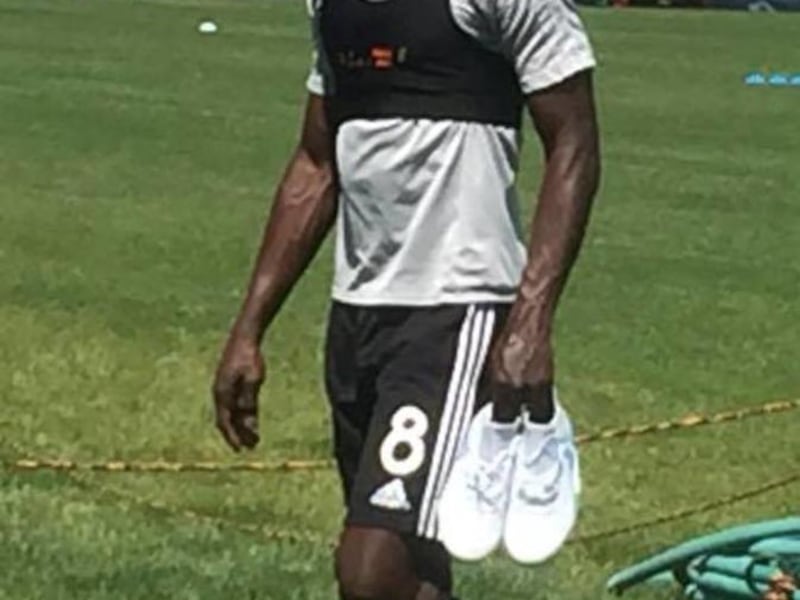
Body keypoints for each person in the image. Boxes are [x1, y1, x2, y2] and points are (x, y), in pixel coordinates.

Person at [212, 0, 601, 597]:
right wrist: (249, 328)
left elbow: (573, 142)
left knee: (369, 569)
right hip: (357, 313)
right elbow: (316, 162)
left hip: (457, 310)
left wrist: (529, 322)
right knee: (412, 565)